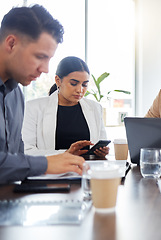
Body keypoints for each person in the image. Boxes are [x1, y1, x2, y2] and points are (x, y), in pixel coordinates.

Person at [0, 5, 89, 183]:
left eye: (49, 59)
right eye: (40, 56)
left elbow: (17, 158)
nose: (45, 69)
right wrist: (46, 164)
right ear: (11, 43)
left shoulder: (16, 95)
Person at [22, 56, 109, 157]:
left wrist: (101, 152)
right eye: (73, 83)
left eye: (84, 84)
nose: (80, 90)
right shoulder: (33, 108)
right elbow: (26, 150)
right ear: (58, 80)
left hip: (87, 169)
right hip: (52, 170)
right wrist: (65, 154)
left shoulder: (95, 108)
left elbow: (100, 143)